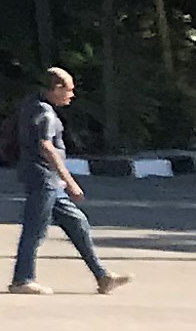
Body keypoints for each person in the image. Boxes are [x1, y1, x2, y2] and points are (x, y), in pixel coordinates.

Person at [9, 66, 128, 295]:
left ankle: (102, 276)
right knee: (35, 229)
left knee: (77, 222)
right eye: (69, 90)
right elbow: (46, 147)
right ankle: (22, 279)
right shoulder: (43, 112)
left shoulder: (32, 103)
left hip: (49, 180)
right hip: (43, 179)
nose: (72, 95)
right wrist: (70, 180)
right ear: (56, 88)